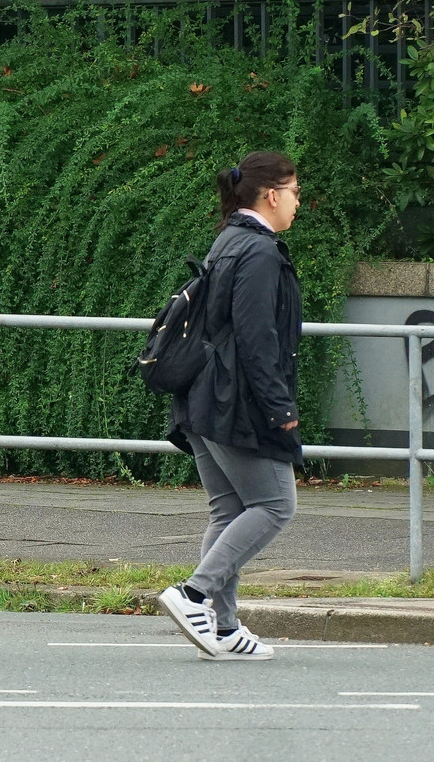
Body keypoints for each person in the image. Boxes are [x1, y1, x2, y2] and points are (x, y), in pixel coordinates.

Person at [155, 150, 305, 662]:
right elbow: (257, 338)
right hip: (234, 402)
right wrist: (280, 407)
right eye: (295, 192)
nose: (297, 203)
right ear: (271, 194)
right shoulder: (259, 252)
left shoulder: (229, 240)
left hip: (202, 396)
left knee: (229, 510)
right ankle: (193, 594)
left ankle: (221, 628)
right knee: (275, 505)